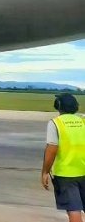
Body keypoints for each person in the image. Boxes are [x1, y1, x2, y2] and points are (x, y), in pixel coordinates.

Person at [43, 93, 85, 222]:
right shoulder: (83, 120)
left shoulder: (55, 123)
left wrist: (45, 171)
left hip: (66, 173)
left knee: (73, 208)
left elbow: (52, 149)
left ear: (58, 106)